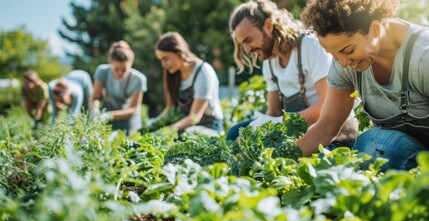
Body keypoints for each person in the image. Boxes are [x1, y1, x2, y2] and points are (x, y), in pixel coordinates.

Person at [299, 0, 429, 170]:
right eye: (334, 55)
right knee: (373, 143)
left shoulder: (422, 57)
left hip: (408, 156)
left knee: (376, 145)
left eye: (348, 51)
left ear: (375, 29)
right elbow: (327, 125)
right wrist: (281, 159)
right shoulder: (344, 64)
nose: (343, 62)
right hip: (398, 152)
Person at [227, 0, 359, 149]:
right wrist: (256, 131)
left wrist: (278, 123)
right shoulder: (269, 62)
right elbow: (274, 111)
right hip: (298, 131)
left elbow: (325, 106)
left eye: (249, 40)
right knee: (234, 134)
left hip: (332, 131)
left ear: (268, 26)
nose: (248, 49)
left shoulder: (310, 46)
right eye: (242, 44)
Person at [153, 32, 224, 134]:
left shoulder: (203, 71)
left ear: (179, 53)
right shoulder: (171, 73)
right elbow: (170, 108)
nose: (163, 65)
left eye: (166, 59)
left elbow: (194, 117)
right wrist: (152, 126)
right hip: (184, 126)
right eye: (161, 60)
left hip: (209, 126)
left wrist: (166, 131)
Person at [92, 40, 147, 134]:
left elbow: (133, 109)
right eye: (116, 69)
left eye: (124, 69)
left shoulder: (138, 79)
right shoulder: (102, 72)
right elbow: (95, 97)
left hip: (129, 122)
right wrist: (94, 109)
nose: (120, 73)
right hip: (106, 120)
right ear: (110, 63)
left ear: (131, 63)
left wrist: (109, 115)